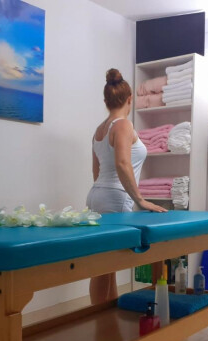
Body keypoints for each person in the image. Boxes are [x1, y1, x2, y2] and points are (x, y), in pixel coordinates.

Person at [86, 68, 167, 305]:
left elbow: (96, 171)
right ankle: (99, 318)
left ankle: (106, 316)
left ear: (106, 101)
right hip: (115, 197)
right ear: (130, 99)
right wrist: (140, 200)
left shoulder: (100, 130)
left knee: (105, 264)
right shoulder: (123, 125)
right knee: (104, 264)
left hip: (97, 195)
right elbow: (122, 163)